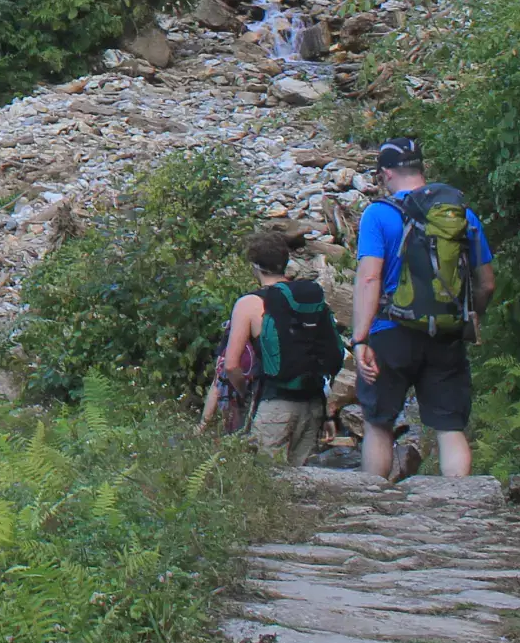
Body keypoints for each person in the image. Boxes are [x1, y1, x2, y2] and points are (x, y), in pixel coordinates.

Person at [354, 137, 497, 481]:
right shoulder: (460, 213)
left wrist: (359, 339)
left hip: (390, 332)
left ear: (386, 173)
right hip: (446, 333)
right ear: (422, 169)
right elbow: (487, 283)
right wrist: (471, 315)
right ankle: (459, 509)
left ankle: (371, 505)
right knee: (449, 427)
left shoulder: (378, 214)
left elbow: (370, 278)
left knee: (379, 423)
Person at [202, 231, 345, 465]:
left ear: (254, 266)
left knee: (268, 477)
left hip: (274, 404)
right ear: (286, 263)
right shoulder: (306, 297)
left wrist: (244, 393)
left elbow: (230, 365)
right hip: (313, 402)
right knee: (303, 480)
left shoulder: (249, 304)